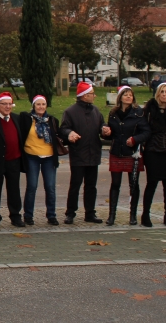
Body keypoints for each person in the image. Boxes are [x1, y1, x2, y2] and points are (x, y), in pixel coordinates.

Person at [60, 82, 111, 224]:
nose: (94, 96)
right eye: (92, 93)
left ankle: (90, 213)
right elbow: (63, 129)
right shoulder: (70, 112)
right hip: (78, 154)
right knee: (75, 185)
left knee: (91, 186)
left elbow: (102, 125)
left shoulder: (96, 111)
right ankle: (70, 213)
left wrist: (105, 130)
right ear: (84, 96)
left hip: (93, 153)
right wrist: (69, 133)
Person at [104, 86, 151, 226]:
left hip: (132, 154)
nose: (128, 97)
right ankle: (112, 215)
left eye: (130, 95)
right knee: (115, 184)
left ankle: (133, 215)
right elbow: (112, 133)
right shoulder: (113, 113)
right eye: (125, 95)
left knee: (133, 184)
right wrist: (106, 132)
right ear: (120, 98)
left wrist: (135, 139)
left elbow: (146, 132)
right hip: (117, 152)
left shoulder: (138, 113)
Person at [19, 95, 61, 226]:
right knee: (32, 186)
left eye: (43, 104)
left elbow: (58, 136)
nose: (41, 107)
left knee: (50, 187)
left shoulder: (52, 120)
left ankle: (51, 215)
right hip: (32, 156)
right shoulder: (27, 119)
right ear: (33, 106)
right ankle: (28, 215)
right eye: (38, 104)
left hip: (49, 157)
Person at [141, 82, 166, 227]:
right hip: (153, 150)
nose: (164, 94)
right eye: (162, 91)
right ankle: (146, 215)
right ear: (157, 94)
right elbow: (144, 128)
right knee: (152, 183)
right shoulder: (149, 109)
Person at [0, 92, 25, 228]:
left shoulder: (17, 118)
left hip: (14, 160)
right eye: (4, 104)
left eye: (10, 104)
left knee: (14, 190)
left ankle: (15, 216)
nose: (8, 106)